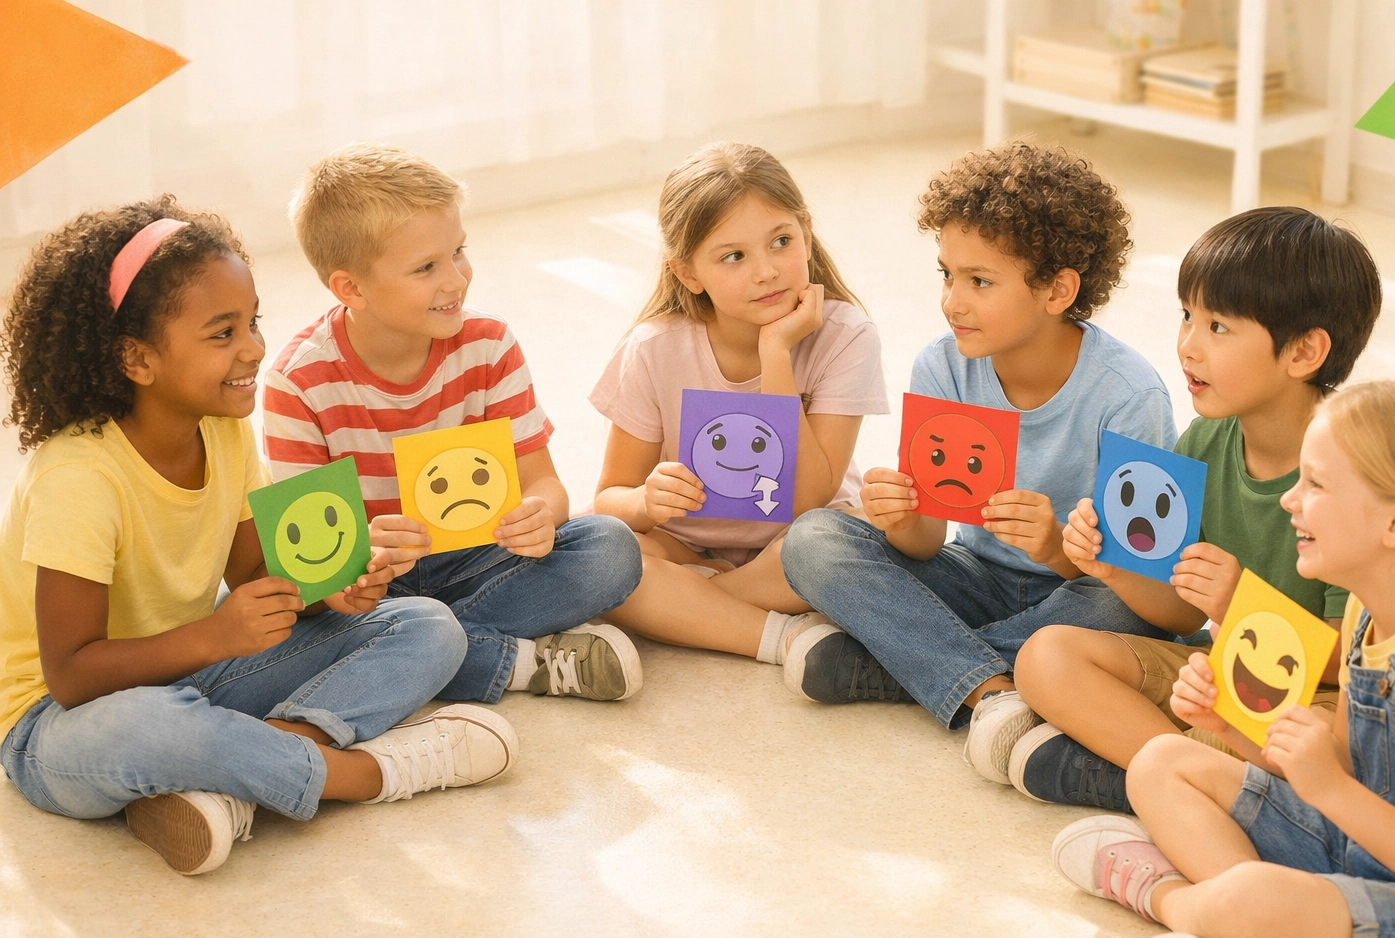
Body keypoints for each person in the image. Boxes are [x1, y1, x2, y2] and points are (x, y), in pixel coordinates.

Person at [0, 200, 515, 876]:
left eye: (252, 322)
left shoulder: (224, 429)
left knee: (427, 626)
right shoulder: (79, 478)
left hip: (193, 673)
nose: (254, 349)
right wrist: (214, 638)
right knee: (152, 728)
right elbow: (70, 676)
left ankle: (238, 780)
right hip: (58, 725)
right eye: (222, 334)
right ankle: (369, 774)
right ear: (137, 358)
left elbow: (258, 578)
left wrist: (334, 588)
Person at [1054, 382, 1395, 938]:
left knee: (1253, 897)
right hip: (1365, 855)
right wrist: (1228, 727)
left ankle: (1173, 901)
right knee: (1161, 762)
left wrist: (1330, 790)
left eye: (1315, 485)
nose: (1289, 500)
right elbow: (1342, 764)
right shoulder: (1371, 610)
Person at [977, 208, 1380, 807]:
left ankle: (1158, 775)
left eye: (1218, 327)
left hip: (1318, 697)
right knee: (1046, 656)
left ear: (1303, 353)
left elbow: (1353, 664)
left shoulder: (1355, 472)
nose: (1187, 345)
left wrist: (1240, 605)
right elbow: (1174, 614)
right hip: (1221, 673)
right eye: (1188, 316)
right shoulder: (1202, 442)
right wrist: (1111, 566)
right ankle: (1184, 776)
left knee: (1331, 746)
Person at [780, 140, 1176, 725]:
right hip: (974, 575)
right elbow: (926, 545)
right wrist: (903, 516)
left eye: (980, 282)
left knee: (1124, 613)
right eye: (947, 274)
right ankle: (993, 687)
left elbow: (1154, 590)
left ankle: (917, 667)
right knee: (812, 540)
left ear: (1057, 291)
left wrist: (1054, 544)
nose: (951, 301)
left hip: (1078, 598)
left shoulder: (1130, 397)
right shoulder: (941, 367)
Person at [264, 144, 643, 705]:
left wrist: (541, 516)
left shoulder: (489, 345)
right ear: (351, 289)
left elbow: (544, 484)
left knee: (611, 546)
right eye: (426, 268)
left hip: (480, 558)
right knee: (283, 628)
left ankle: (429, 651)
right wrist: (362, 553)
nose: (456, 279)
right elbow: (311, 572)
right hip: (377, 589)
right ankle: (513, 660)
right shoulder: (297, 383)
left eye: (459, 251)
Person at [589, 142, 887, 664]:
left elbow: (805, 501)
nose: (766, 271)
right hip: (687, 546)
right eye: (733, 256)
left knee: (863, 537)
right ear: (688, 274)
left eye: (780, 241)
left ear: (807, 232)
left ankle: (693, 606)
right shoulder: (654, 347)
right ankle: (784, 639)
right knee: (596, 550)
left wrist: (777, 353)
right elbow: (611, 496)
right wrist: (644, 501)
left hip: (800, 540)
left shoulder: (845, 334)